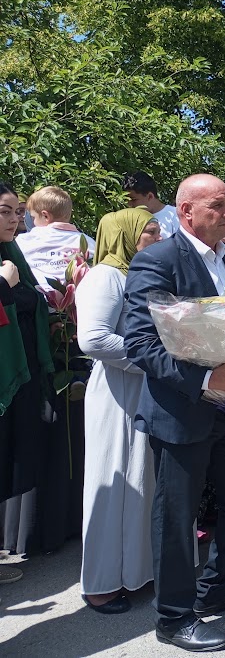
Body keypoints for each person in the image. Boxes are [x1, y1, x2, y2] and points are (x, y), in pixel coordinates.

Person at [124, 174, 225, 652]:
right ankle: (173, 617)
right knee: (177, 515)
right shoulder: (156, 260)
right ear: (186, 211)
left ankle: (219, 588)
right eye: (219, 205)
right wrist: (207, 380)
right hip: (181, 411)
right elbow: (141, 343)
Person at [77, 207, 161, 613]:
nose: (157, 237)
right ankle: (102, 582)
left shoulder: (138, 275)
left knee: (141, 480)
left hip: (142, 384)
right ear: (124, 234)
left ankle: (137, 571)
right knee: (112, 481)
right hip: (117, 390)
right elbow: (93, 339)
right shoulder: (105, 276)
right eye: (149, 231)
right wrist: (152, 357)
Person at [0, 183, 54, 587]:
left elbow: (32, 299)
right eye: (6, 211)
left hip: (20, 374)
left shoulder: (13, 254)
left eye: (18, 212)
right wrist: (8, 289)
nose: (16, 220)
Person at [16, 186, 95, 288]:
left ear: (45, 216)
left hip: (39, 298)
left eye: (33, 217)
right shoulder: (87, 241)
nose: (33, 222)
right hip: (79, 297)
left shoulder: (25, 240)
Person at [123, 171, 182, 238]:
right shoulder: (129, 219)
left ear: (150, 196)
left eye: (134, 200)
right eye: (127, 200)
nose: (129, 204)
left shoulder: (175, 216)